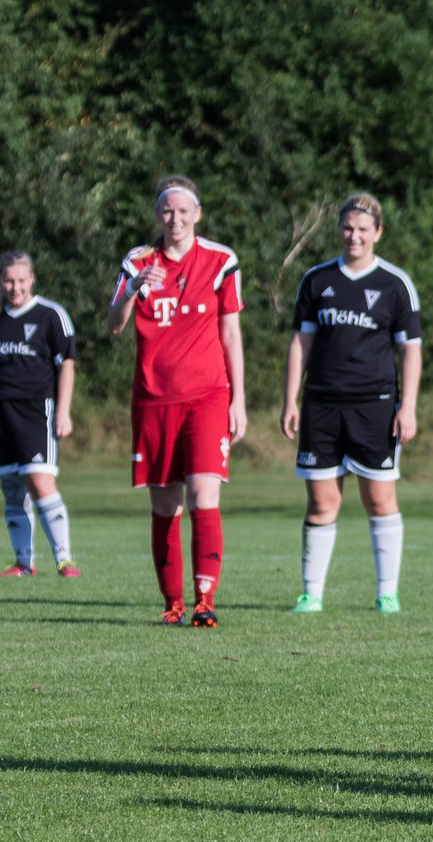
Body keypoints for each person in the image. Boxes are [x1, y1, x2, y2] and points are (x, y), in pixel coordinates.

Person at [107, 175, 247, 627]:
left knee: (205, 494)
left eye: (184, 211)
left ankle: (205, 600)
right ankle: (173, 604)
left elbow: (230, 332)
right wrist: (131, 290)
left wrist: (238, 399)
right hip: (153, 399)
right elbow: (113, 324)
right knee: (166, 504)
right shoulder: (137, 261)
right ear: (158, 215)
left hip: (208, 395)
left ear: (197, 214)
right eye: (168, 211)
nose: (175, 219)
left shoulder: (221, 260)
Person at [279, 193, 422, 614]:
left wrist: (408, 405)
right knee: (322, 502)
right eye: (347, 228)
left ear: (377, 233)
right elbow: (300, 343)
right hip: (321, 405)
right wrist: (290, 399)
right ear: (338, 230)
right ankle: (311, 594)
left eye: (362, 229)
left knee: (379, 500)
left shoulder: (395, 284)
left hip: (375, 407)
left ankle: (387, 593)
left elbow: (410, 349)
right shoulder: (317, 280)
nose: (353, 236)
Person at [0, 251, 79, 578]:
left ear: (32, 278)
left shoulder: (51, 315)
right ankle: (24, 563)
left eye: (21, 280)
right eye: (9, 280)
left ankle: (64, 560)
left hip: (37, 410)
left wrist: (63, 411)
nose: (15, 287)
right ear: (0, 280)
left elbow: (66, 364)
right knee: (11, 486)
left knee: (40, 482)